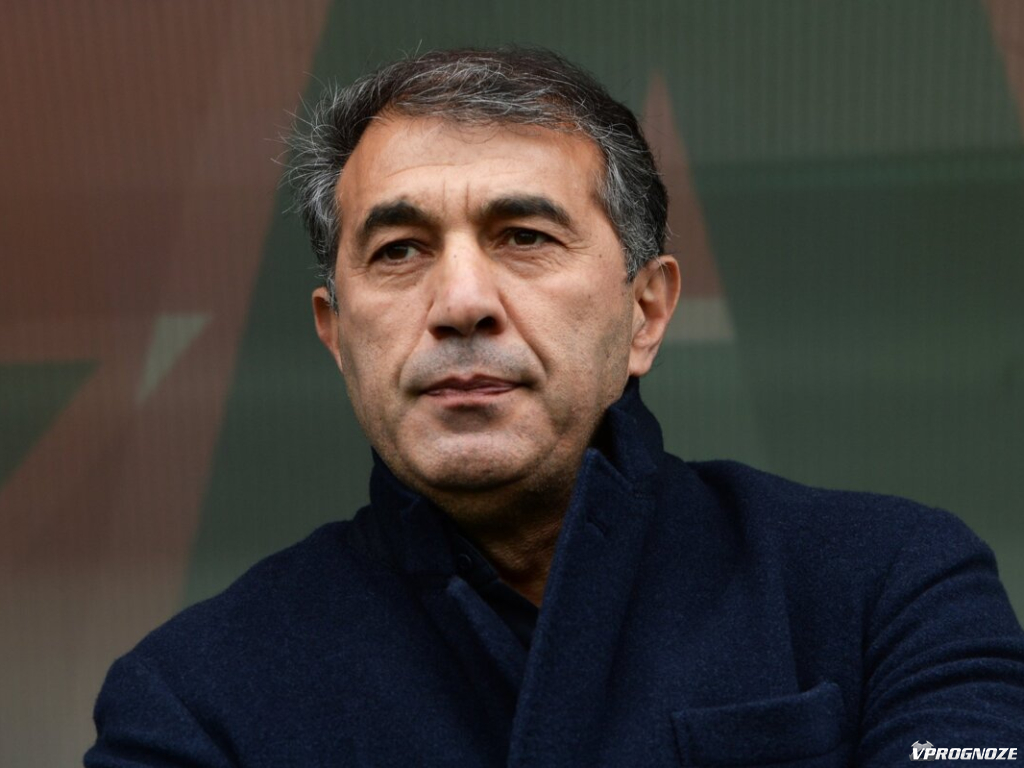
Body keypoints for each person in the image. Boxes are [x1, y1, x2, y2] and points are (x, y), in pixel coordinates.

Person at [86, 47, 1024, 767]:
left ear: (645, 313)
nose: (461, 303)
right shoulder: (194, 696)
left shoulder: (889, 587)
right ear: (336, 335)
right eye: (400, 250)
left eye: (524, 236)